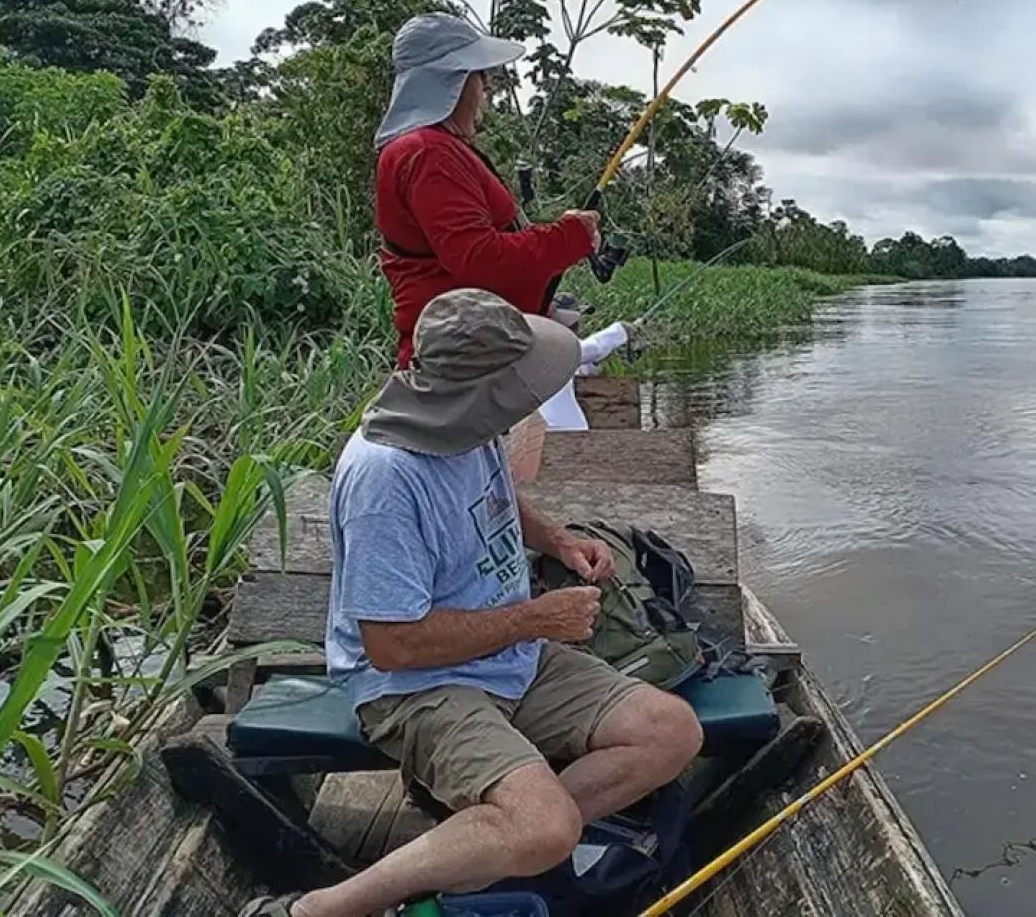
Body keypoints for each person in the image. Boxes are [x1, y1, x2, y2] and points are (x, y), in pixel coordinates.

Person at [238, 289, 703, 917]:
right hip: (416, 687)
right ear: (476, 391)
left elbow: (497, 497)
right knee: (545, 827)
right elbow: (392, 646)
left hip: (512, 657)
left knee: (669, 732)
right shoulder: (386, 478)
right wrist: (538, 618)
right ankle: (317, 909)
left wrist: (561, 541)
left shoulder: (466, 426)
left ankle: (493, 847)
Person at [375, 13, 603, 368]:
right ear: (455, 82)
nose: (487, 87)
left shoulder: (432, 149)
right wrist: (569, 238)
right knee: (561, 349)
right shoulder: (426, 153)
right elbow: (479, 261)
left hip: (478, 349)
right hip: (464, 359)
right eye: (481, 75)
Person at [539, 294, 639, 431]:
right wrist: (620, 331)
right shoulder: (552, 347)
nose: (578, 325)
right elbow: (593, 348)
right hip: (559, 430)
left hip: (553, 431)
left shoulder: (553, 352)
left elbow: (578, 368)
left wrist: (593, 364)